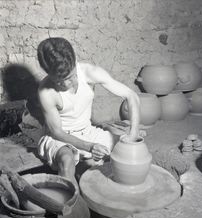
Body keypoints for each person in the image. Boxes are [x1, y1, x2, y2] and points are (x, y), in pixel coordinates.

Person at [36, 37, 140, 186]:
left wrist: (133, 134)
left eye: (70, 77)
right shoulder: (45, 91)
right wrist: (90, 147)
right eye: (58, 81)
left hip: (87, 131)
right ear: (48, 73)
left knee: (128, 149)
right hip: (60, 138)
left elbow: (131, 96)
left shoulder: (89, 72)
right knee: (67, 162)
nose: (66, 84)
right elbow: (56, 132)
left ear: (74, 63)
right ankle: (72, 204)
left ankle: (88, 171)